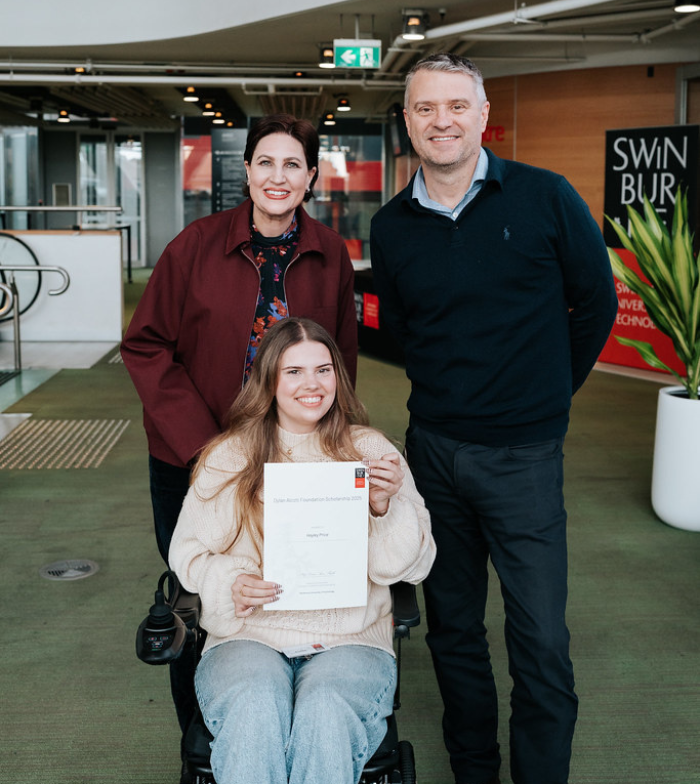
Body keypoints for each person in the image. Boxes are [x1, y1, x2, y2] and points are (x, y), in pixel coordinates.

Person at [370, 54, 618, 784]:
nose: (440, 120)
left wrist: (544, 397)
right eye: (424, 109)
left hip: (524, 456)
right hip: (435, 455)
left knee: (540, 638)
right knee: (453, 631)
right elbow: (407, 331)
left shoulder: (545, 196)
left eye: (455, 106)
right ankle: (474, 770)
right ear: (408, 122)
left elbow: (595, 304)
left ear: (482, 117)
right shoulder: (392, 227)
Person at [121, 114, 358, 778]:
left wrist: (334, 447)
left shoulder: (331, 253)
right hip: (192, 460)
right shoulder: (194, 247)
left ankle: (282, 723)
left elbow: (340, 358)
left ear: (311, 176)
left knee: (280, 591)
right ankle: (206, 743)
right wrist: (202, 447)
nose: (278, 176)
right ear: (247, 171)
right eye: (266, 162)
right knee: (200, 601)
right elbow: (146, 347)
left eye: (293, 165)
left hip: (295, 462)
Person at [168, 317, 436, 784]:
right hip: (249, 636)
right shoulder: (229, 457)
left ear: (339, 377)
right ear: (269, 380)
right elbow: (187, 556)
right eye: (294, 372)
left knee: (325, 713)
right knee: (254, 708)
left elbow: (413, 567)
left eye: (324, 369)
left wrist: (381, 508)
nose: (312, 384)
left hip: (350, 639)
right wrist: (231, 583)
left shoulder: (370, 451)